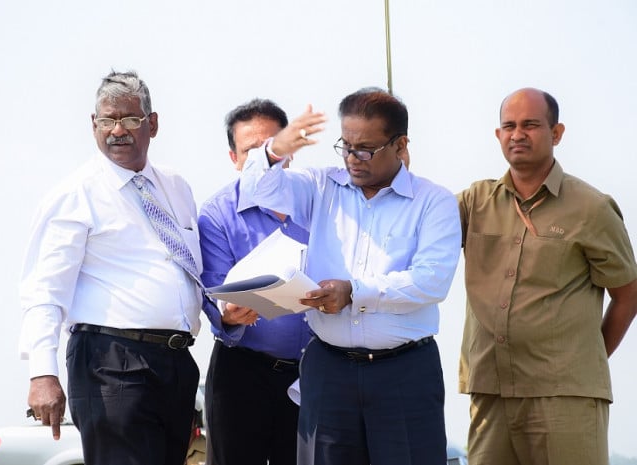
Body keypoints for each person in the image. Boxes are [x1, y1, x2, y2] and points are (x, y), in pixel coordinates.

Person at [18, 70, 235, 465]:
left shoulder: (176, 187)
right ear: (93, 124)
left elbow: (190, 270)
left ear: (152, 124)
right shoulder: (75, 194)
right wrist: (42, 372)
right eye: (107, 120)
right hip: (110, 365)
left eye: (130, 119)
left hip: (175, 363)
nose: (117, 130)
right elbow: (44, 290)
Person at [240, 88, 462, 465]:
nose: (353, 159)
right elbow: (257, 189)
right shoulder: (321, 185)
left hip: (404, 372)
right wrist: (274, 151)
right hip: (330, 369)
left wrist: (354, 292)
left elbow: (431, 281)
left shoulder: (434, 201)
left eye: (366, 149)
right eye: (346, 146)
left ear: (401, 144)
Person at [458, 87, 637, 465]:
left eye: (531, 125)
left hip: (565, 398)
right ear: (497, 135)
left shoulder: (592, 208)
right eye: (508, 125)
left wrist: (584, 359)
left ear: (556, 133)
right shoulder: (474, 202)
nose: (517, 134)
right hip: (490, 393)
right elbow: (418, 226)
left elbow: (628, 294)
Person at [198, 98, 311, 465]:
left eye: (271, 147)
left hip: (312, 376)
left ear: (288, 150)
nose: (264, 158)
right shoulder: (216, 215)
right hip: (242, 374)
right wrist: (227, 315)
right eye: (251, 151)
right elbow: (214, 292)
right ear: (234, 159)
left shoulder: (319, 201)